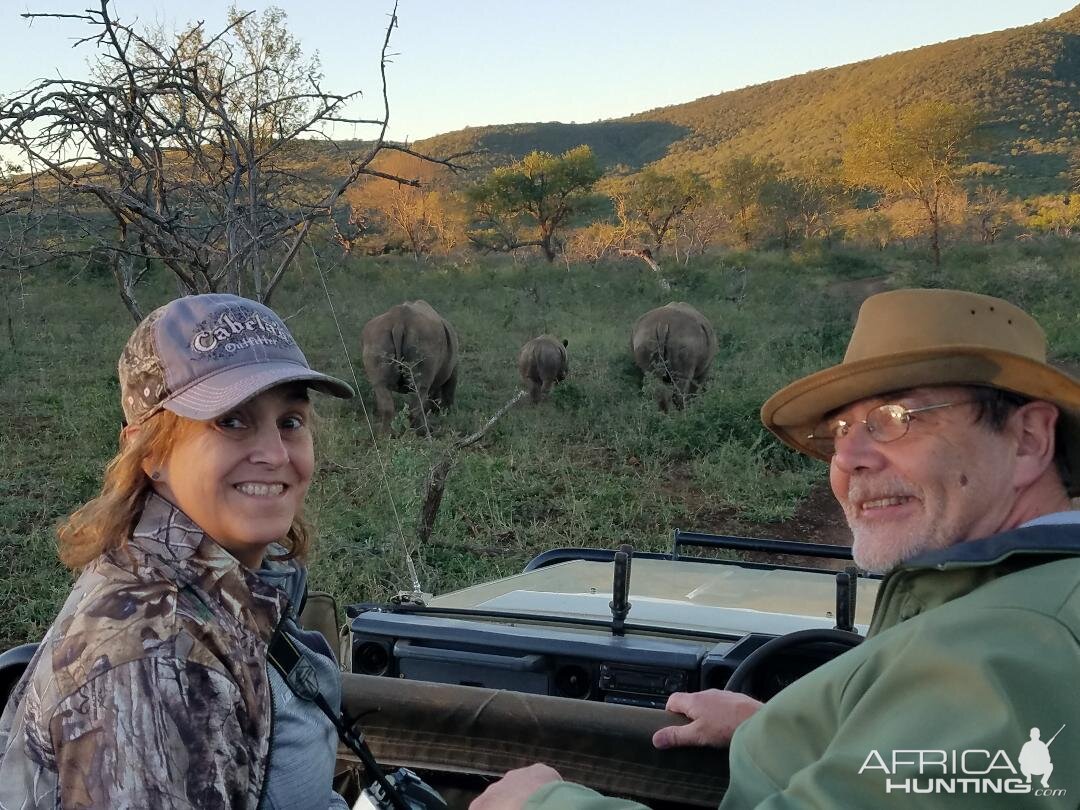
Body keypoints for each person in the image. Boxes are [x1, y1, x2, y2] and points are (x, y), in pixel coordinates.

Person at [471, 288, 1080, 809]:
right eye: (842, 430)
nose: (848, 459)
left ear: (1026, 440)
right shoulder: (1006, 601)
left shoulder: (1011, 649)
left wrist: (547, 802)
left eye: (897, 417)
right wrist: (784, 731)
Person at [0, 294, 356, 809]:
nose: (276, 454)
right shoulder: (157, 666)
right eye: (231, 421)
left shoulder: (214, 585)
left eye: (291, 421)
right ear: (152, 453)